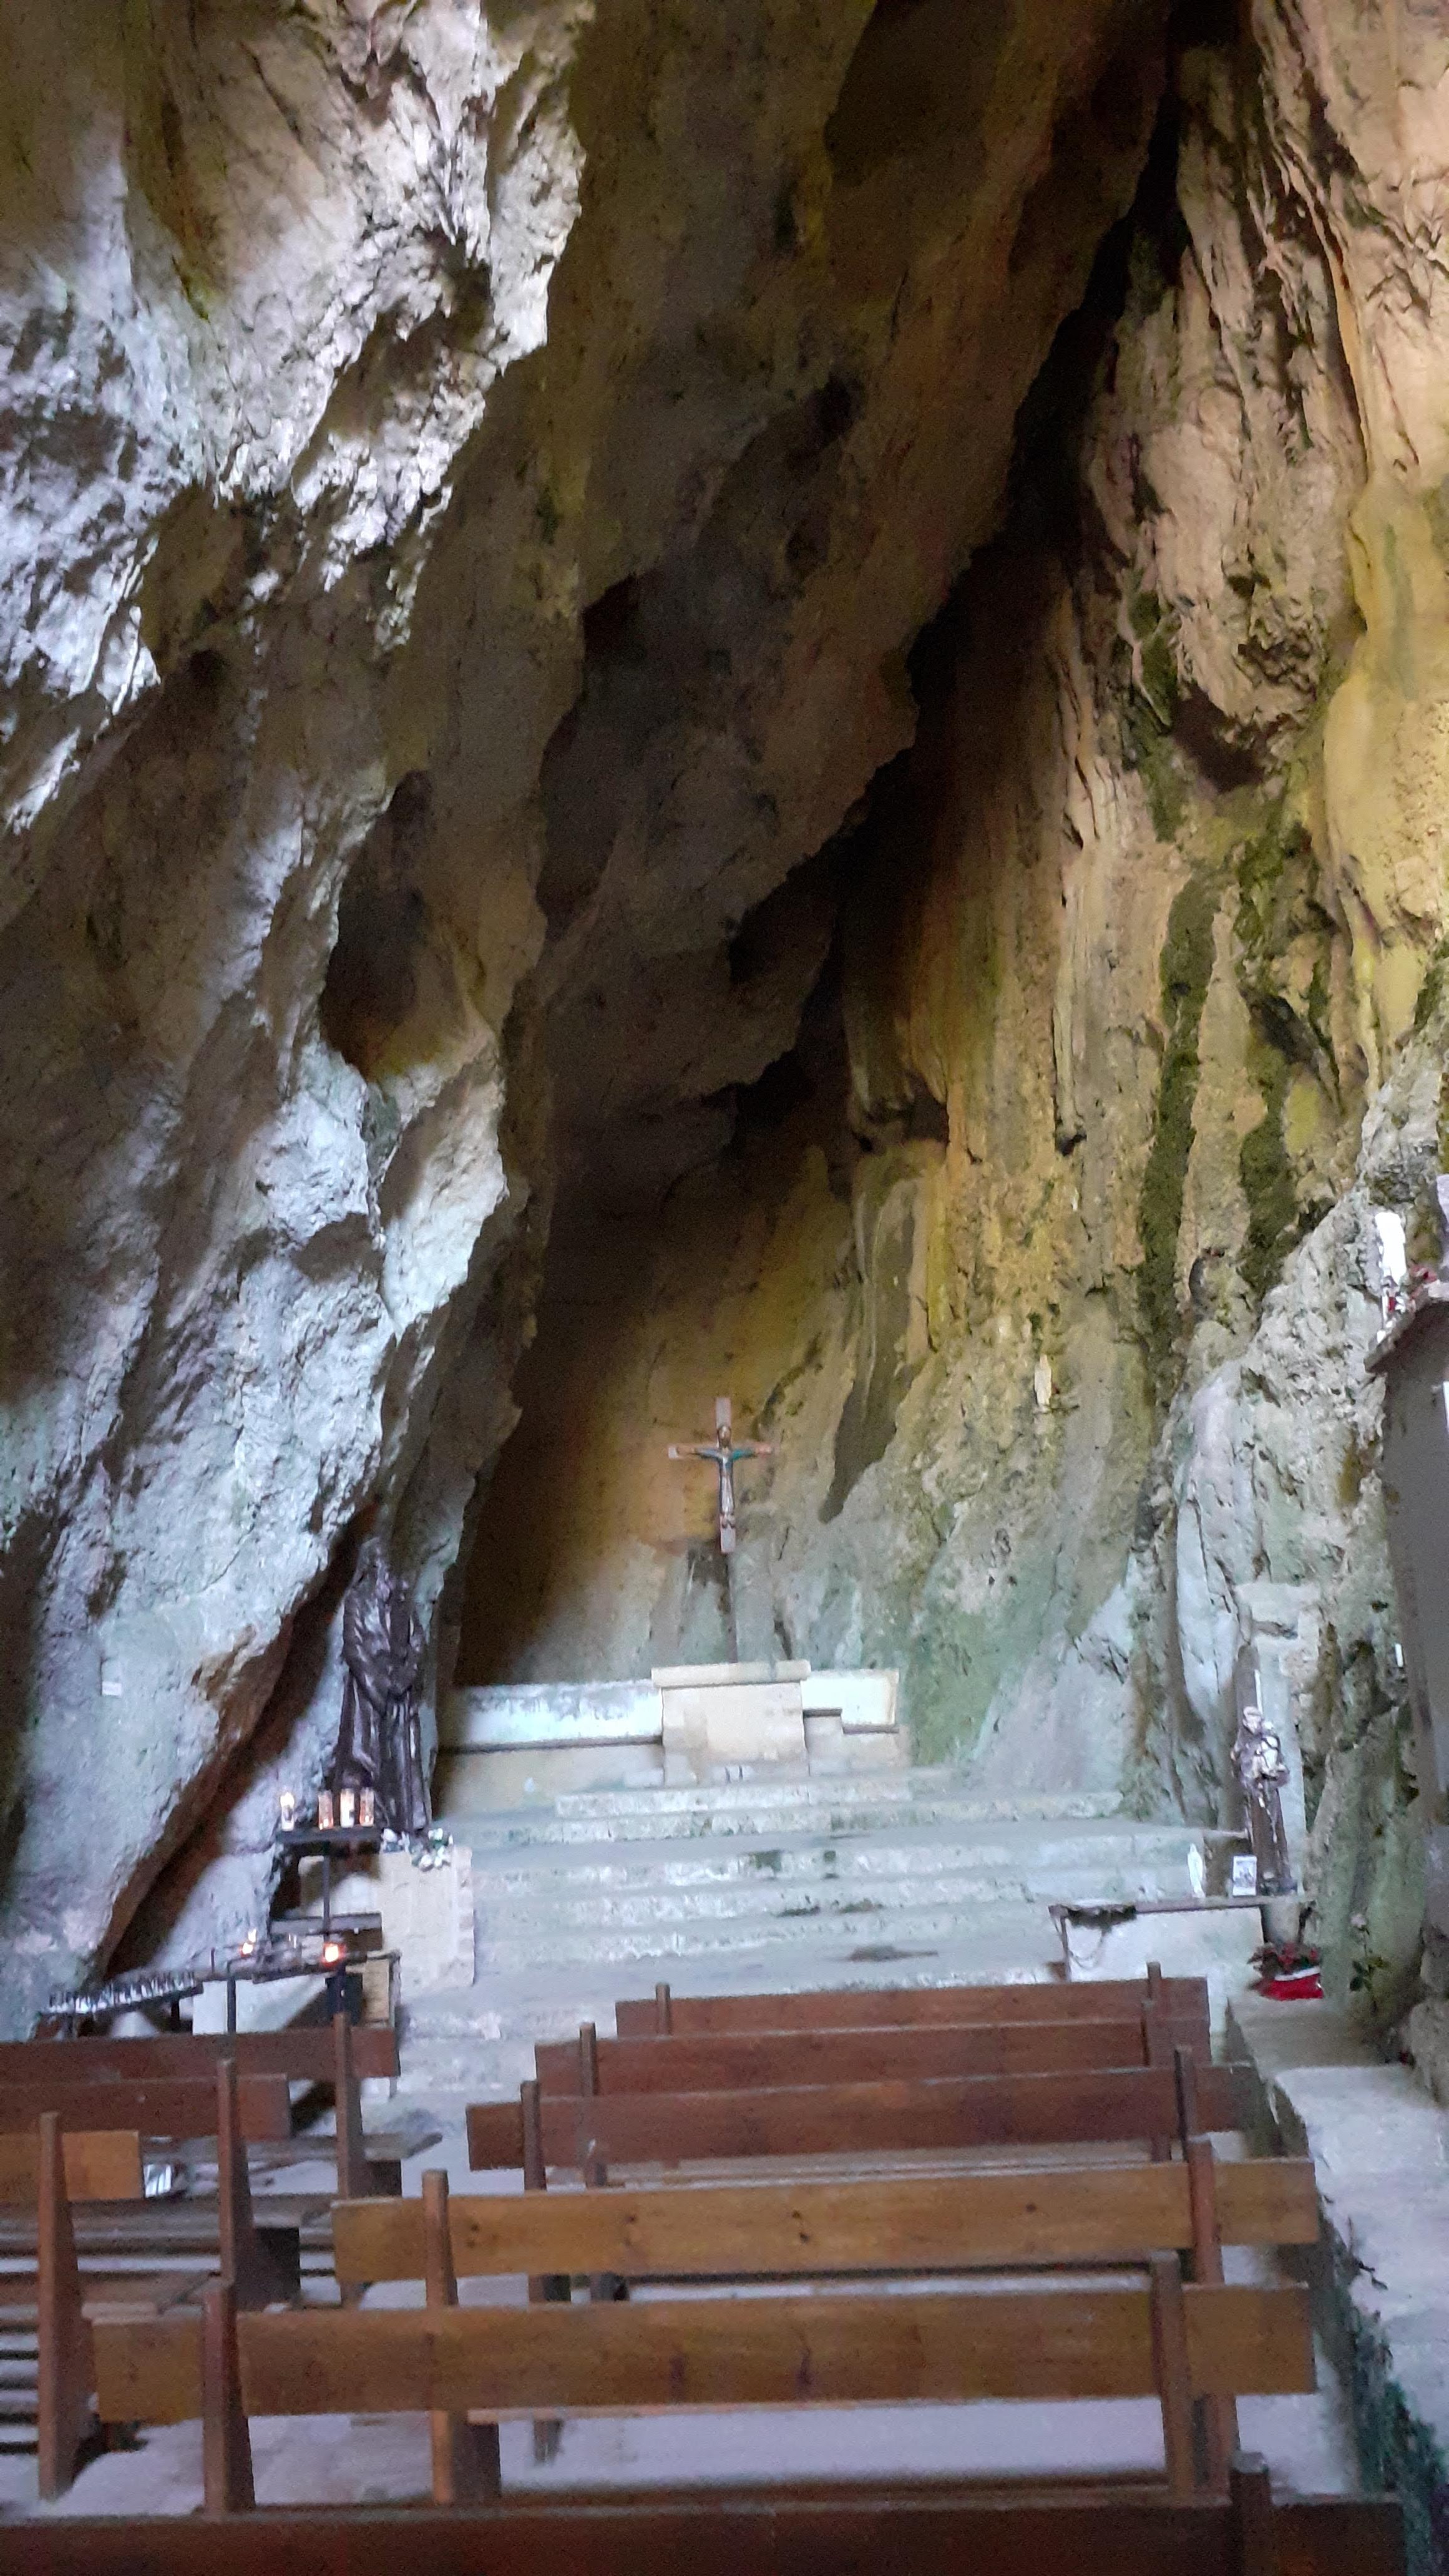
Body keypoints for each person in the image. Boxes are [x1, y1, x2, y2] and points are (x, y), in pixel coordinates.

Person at [331, 1535, 431, 1837]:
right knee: (366, 1759)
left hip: (401, 1693)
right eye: (382, 1565)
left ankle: (407, 1826)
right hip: (369, 1695)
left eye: (389, 1565)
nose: (388, 1572)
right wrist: (381, 1686)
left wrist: (406, 1675)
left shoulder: (402, 1602)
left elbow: (417, 1641)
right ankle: (368, 1829)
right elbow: (354, 1648)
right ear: (371, 1568)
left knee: (403, 1760)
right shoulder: (356, 1601)